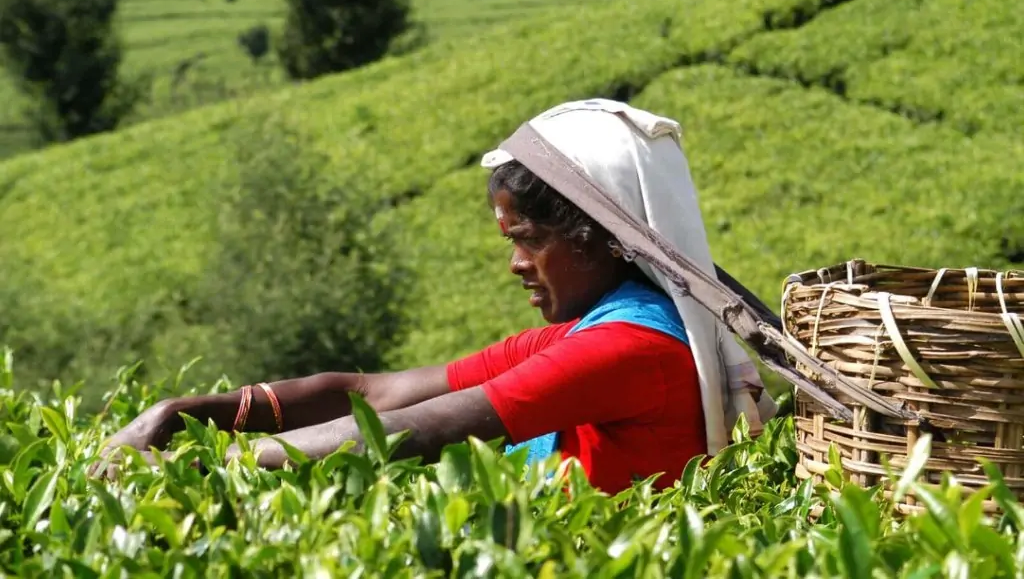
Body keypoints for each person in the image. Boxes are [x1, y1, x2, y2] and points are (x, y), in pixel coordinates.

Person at [95, 99, 776, 494]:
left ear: (602, 238)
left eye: (530, 239)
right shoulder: (601, 328)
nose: (515, 264)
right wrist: (200, 411)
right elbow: (381, 393)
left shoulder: (628, 348)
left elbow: (411, 430)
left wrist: (200, 461)